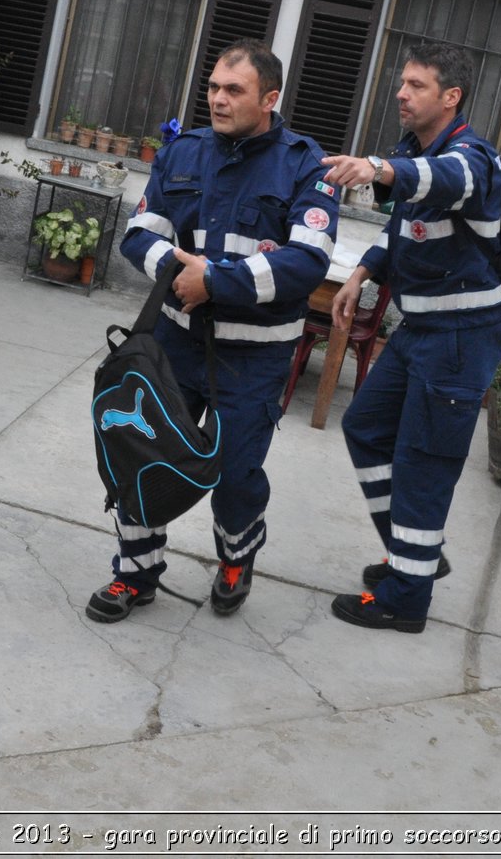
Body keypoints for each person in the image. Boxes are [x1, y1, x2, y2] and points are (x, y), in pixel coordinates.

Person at [90, 39, 337, 623]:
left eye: (235, 91)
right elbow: (139, 234)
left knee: (235, 470)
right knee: (142, 451)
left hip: (254, 360)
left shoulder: (306, 165)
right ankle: (136, 573)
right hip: (176, 343)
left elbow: (307, 262)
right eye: (214, 88)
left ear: (270, 99)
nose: (219, 100)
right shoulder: (184, 153)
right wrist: (182, 274)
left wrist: (216, 282)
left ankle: (236, 557)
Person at [320, 42, 501, 634]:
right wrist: (363, 271)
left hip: (460, 337)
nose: (401, 93)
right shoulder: (416, 149)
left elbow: (443, 181)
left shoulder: (469, 159)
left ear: (450, 97)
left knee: (424, 463)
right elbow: (407, 225)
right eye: (402, 82)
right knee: (367, 427)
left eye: (417, 85)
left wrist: (377, 169)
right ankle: (414, 556)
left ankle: (406, 600)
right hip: (421, 329)